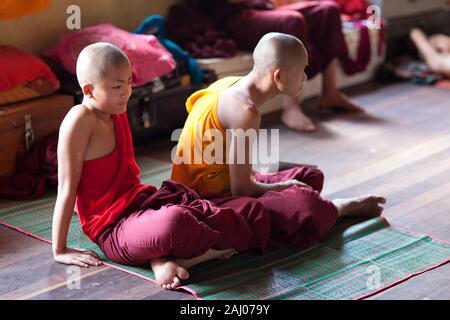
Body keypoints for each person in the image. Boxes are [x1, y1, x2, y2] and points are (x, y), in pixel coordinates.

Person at [52, 42, 272, 290]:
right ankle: (193, 255)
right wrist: (59, 249)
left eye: (129, 82)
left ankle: (164, 259)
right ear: (89, 90)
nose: (126, 92)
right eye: (116, 86)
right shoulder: (79, 120)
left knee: (242, 209)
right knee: (175, 222)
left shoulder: (115, 109)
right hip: (112, 228)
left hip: (141, 204)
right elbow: (66, 188)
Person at [171, 32, 386, 254]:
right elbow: (241, 189)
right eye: (301, 70)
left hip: (224, 181)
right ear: (278, 76)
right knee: (305, 204)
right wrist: (282, 186)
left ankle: (316, 206)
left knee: (310, 177)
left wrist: (281, 183)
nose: (305, 77)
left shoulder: (229, 84)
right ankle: (339, 208)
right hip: (205, 201)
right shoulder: (245, 112)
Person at [197, 0, 364, 132]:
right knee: (292, 20)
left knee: (329, 9)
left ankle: (330, 93)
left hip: (261, 6)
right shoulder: (247, 114)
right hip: (231, 15)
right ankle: (291, 107)